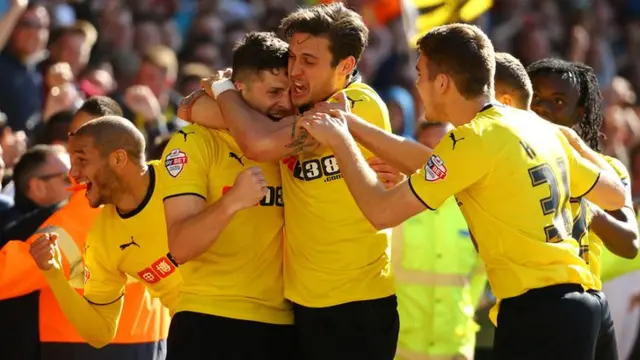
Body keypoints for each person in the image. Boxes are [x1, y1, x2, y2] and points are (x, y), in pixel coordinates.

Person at [298, 23, 626, 360]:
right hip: (589, 307)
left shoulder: (471, 140)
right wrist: (353, 125)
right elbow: (616, 195)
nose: (416, 84)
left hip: (542, 317)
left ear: (442, 82)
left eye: (420, 73)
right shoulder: (530, 126)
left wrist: (339, 141)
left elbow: (380, 211)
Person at [205, 4, 398, 358]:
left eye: (308, 61)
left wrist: (223, 90)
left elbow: (257, 142)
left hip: (358, 305)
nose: (293, 70)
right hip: (301, 304)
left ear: (345, 66)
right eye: (292, 57)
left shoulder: (352, 107)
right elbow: (192, 108)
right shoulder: (300, 108)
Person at [161, 32, 295, 360]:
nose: (286, 103)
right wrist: (232, 202)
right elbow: (180, 246)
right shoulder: (194, 142)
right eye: (275, 92)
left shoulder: (290, 137)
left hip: (285, 324)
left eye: (292, 93)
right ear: (239, 89)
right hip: (210, 318)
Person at [29, 116, 182, 351]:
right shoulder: (102, 238)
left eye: (82, 161)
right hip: (200, 334)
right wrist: (53, 274)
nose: (73, 173)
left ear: (118, 158)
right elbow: (100, 333)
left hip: (254, 320)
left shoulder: (182, 178)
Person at [526, 58, 640, 359]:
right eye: (536, 98)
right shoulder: (506, 163)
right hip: (522, 310)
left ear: (580, 112)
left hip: (584, 312)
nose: (543, 108)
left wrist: (582, 207)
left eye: (558, 101)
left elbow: (629, 244)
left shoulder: (608, 171)